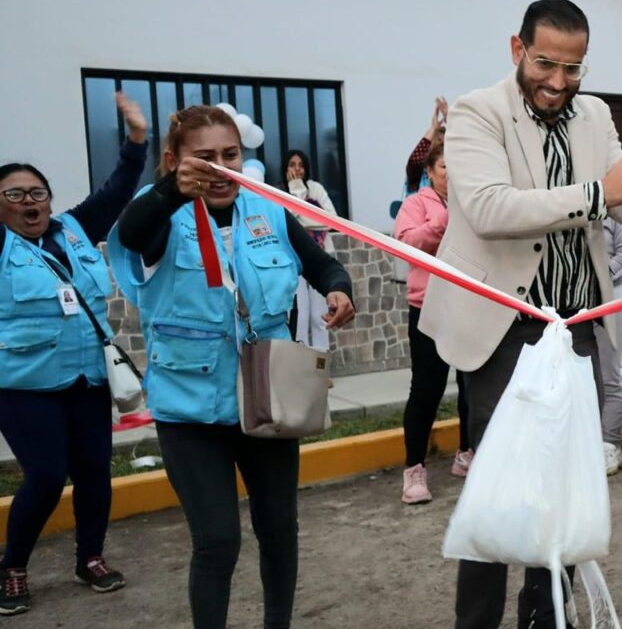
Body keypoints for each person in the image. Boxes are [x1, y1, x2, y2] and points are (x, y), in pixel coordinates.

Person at [417, 0, 622, 627]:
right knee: (498, 490)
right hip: (503, 331)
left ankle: (546, 615)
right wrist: (601, 192)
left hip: (577, 328)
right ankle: (476, 621)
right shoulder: (479, 112)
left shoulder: (595, 115)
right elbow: (489, 209)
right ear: (517, 50)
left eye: (573, 68)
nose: (558, 81)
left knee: (560, 489)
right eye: (546, 63)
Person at [109, 104, 355, 629]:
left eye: (230, 156)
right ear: (175, 160)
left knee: (279, 531)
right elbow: (131, 233)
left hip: (268, 399)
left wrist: (338, 289)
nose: (221, 168)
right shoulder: (160, 218)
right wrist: (174, 189)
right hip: (191, 412)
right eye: (205, 158)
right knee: (218, 542)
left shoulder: (267, 211)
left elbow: (322, 263)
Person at [0, 93, 147, 616]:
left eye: (36, 191)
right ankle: (12, 566)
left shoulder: (76, 227)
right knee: (44, 474)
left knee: (93, 472)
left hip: (88, 379)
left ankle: (90, 558)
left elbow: (118, 189)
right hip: (24, 385)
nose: (28, 201)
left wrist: (135, 141)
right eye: (14, 194)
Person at [393, 140, 472, 503]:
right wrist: (442, 219)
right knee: (427, 389)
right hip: (428, 307)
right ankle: (414, 470)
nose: (452, 175)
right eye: (445, 168)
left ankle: (467, 454)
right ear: (430, 172)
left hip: (469, 304)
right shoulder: (415, 204)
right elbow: (407, 244)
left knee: (472, 384)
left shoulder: (471, 201)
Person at [283, 149, 337, 351]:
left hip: (318, 256)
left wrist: (301, 219)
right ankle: (303, 368)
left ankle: (322, 367)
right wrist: (295, 189)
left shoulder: (315, 188)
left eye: (301, 165)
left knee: (319, 315)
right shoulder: (279, 190)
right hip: (292, 259)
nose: (297, 169)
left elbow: (330, 220)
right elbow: (287, 222)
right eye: (292, 165)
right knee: (301, 313)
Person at [598, 217, 622, 475]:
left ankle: (610, 444)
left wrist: (596, 278)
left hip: (610, 297)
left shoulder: (616, 210)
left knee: (609, 374)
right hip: (574, 301)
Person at [404, 97, 448, 195]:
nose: (441, 145)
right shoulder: (418, 173)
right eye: (438, 140)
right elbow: (415, 160)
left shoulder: (451, 170)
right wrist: (433, 129)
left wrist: (450, 119)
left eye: (445, 142)